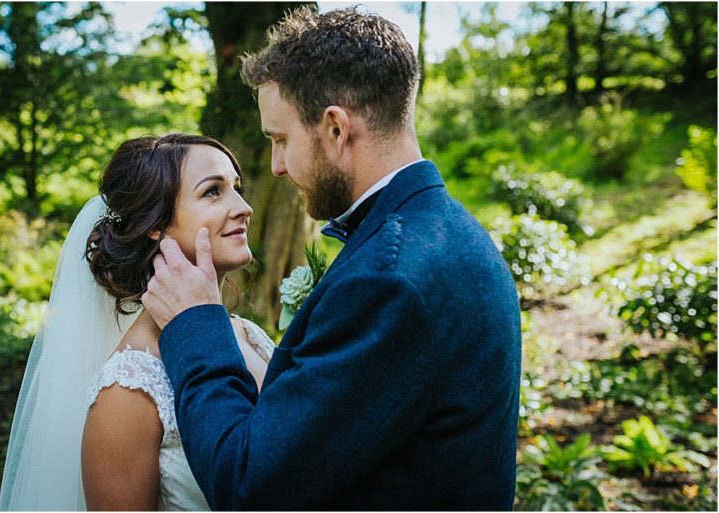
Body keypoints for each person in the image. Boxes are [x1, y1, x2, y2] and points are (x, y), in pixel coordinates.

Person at [143, 7, 522, 511]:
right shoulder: (452, 230)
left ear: (335, 129)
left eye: (281, 140)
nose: (277, 166)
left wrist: (195, 323)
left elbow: (250, 486)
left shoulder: (388, 279)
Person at [0, 134, 274, 511]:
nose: (244, 207)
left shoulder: (250, 335)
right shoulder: (129, 388)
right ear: (155, 224)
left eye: (236, 189)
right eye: (212, 192)